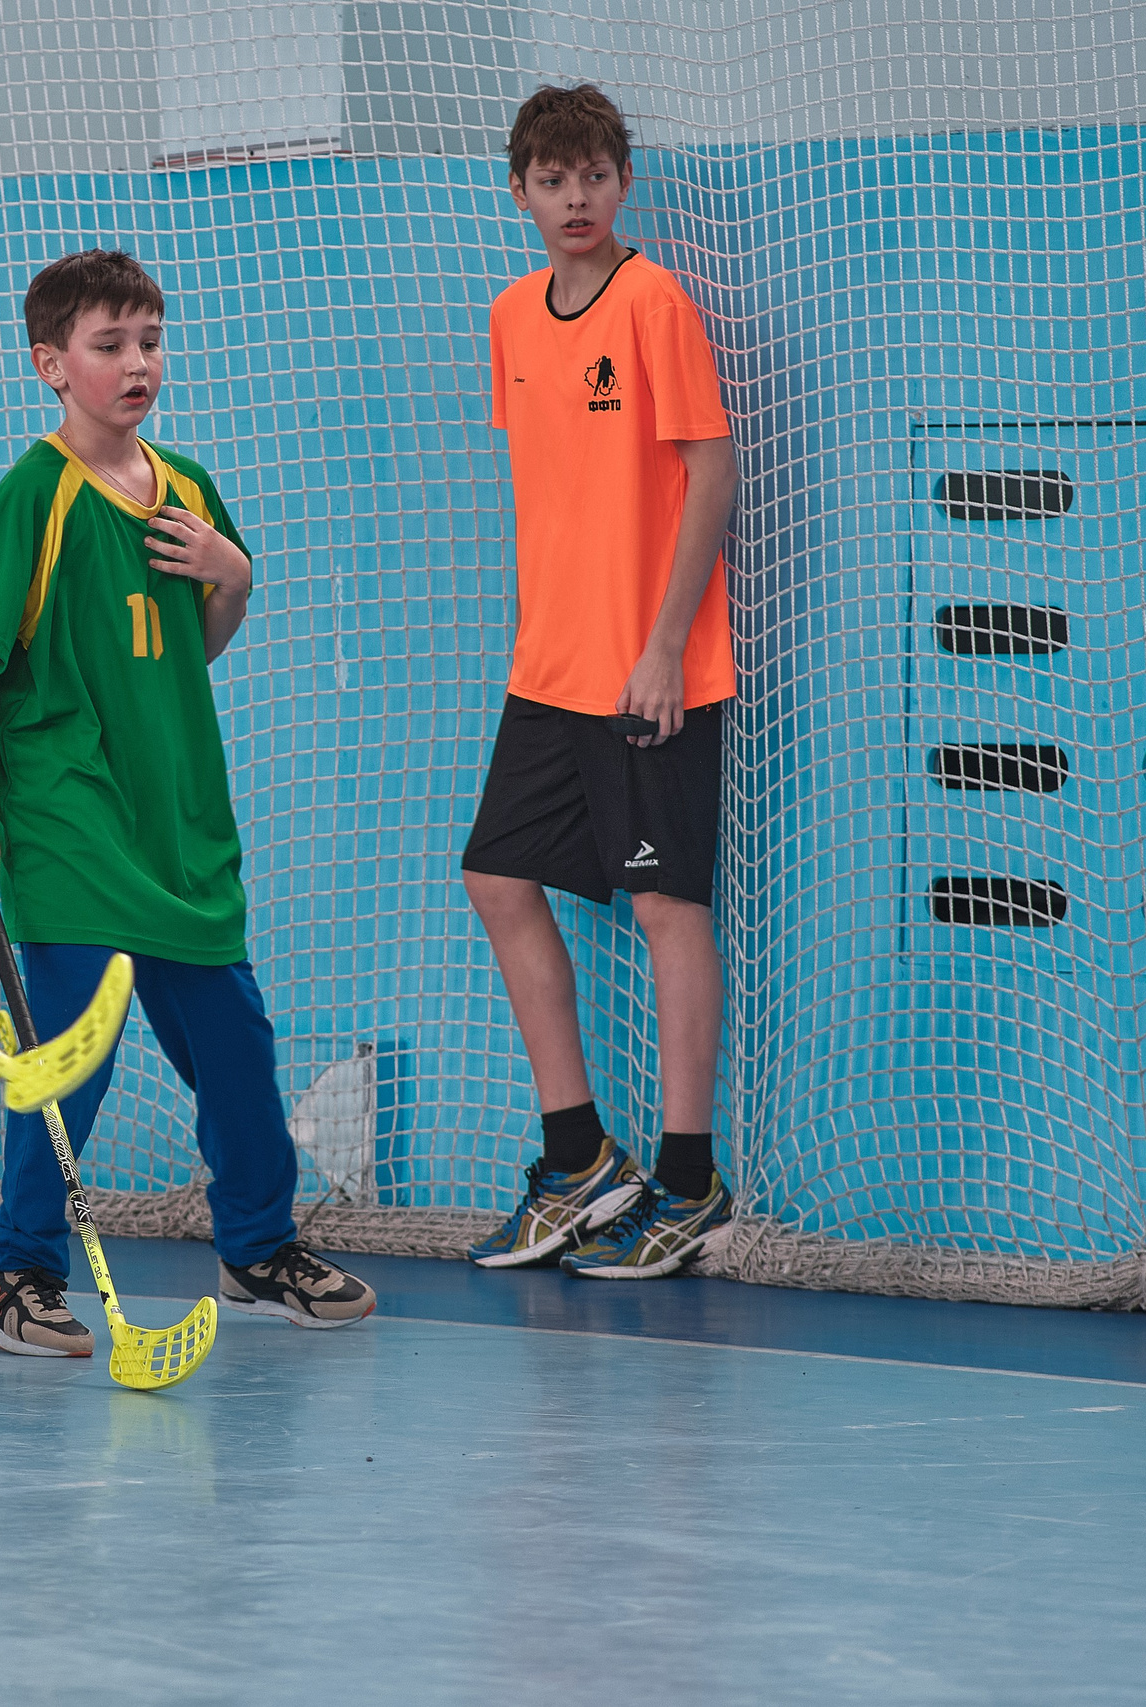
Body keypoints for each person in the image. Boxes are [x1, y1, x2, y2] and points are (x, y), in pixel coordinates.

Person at [0, 250, 373, 1356]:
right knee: (73, 1054)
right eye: (107, 346)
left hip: (179, 821)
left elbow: (198, 646)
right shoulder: (32, 495)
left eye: (149, 341)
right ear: (50, 365)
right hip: (66, 814)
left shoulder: (186, 488)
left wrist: (234, 577)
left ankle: (256, 1245)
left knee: (235, 1045)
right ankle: (17, 1273)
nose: (136, 364)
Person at [460, 84, 740, 1279]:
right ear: (517, 193)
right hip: (550, 670)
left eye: (594, 175)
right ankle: (578, 1159)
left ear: (621, 182)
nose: (574, 197)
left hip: (651, 671)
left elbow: (710, 473)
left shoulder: (656, 302)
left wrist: (664, 644)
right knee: (495, 878)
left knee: (669, 911)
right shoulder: (513, 315)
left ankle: (689, 1183)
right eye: (551, 178)